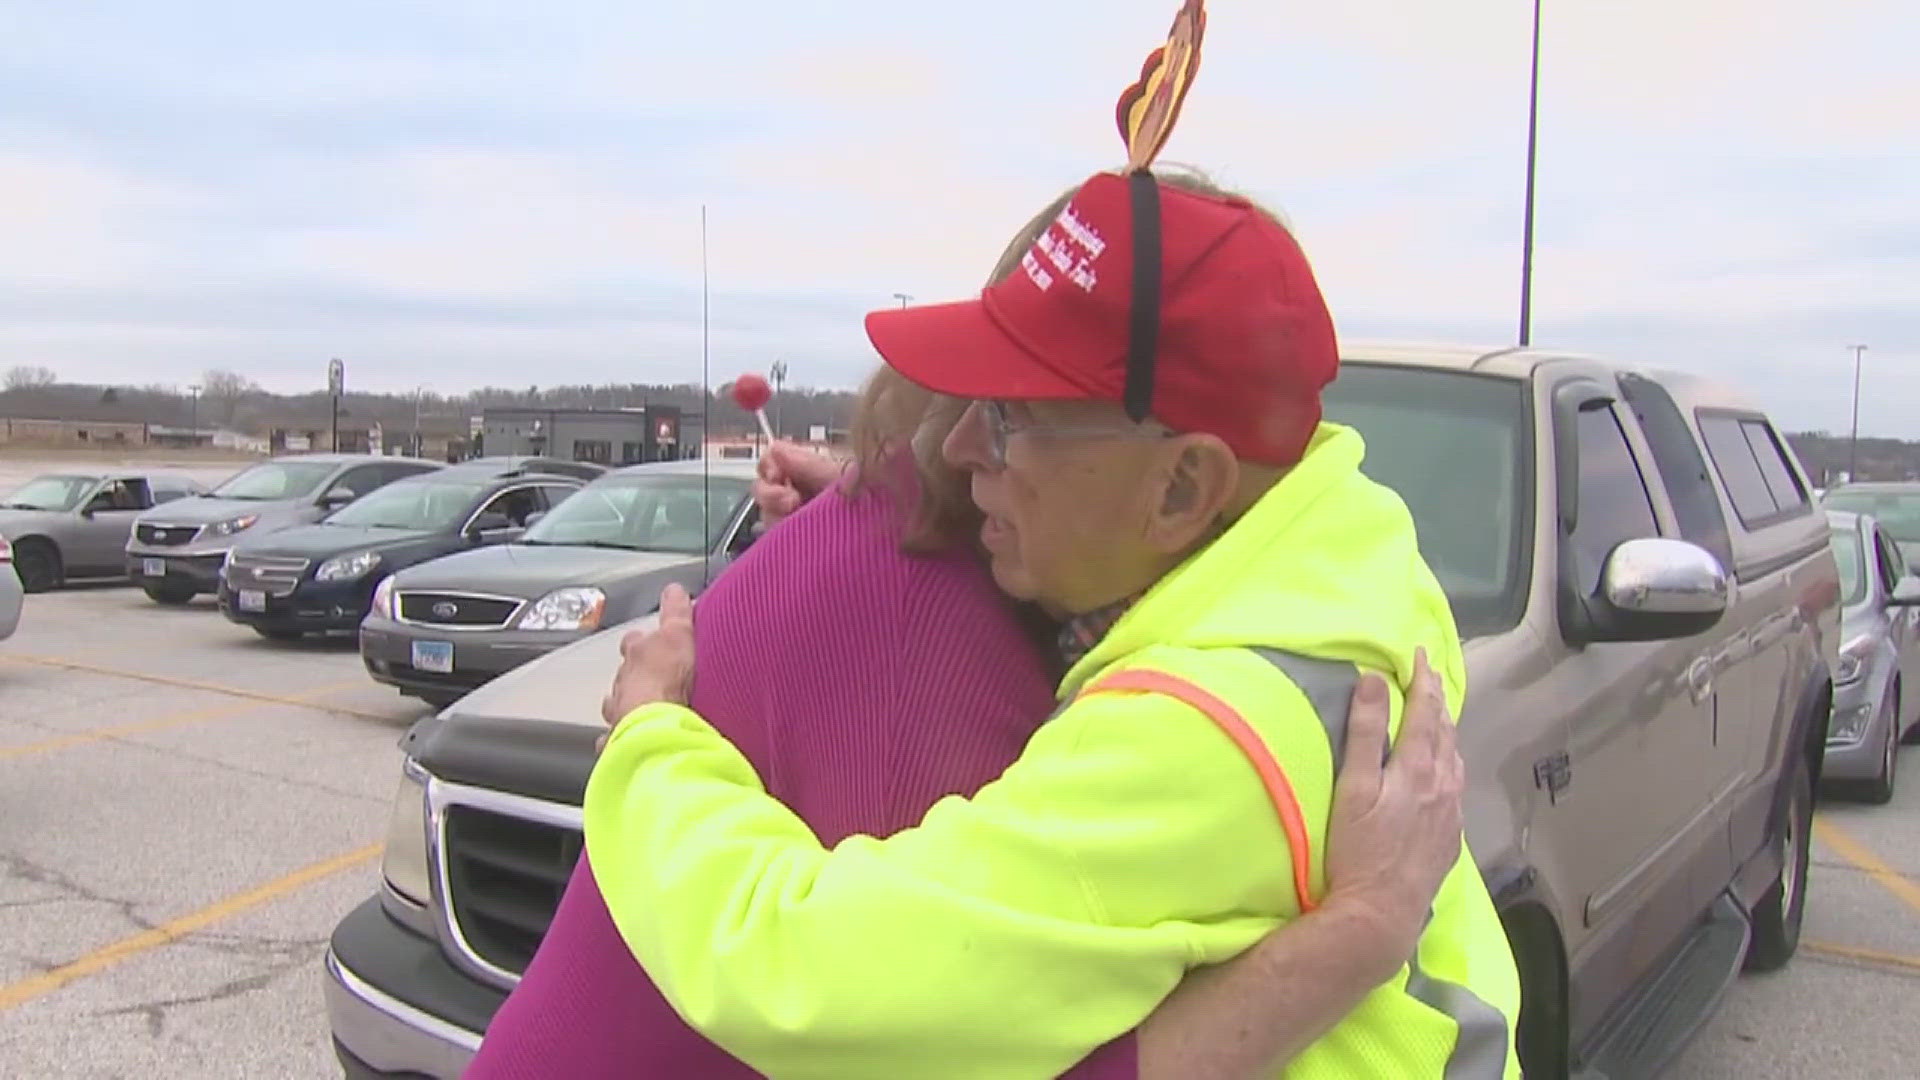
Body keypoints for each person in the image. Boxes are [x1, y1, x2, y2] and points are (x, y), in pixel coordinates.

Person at [465, 207, 1469, 1079]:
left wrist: (646, 737)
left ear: (1181, 488)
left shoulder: (1192, 739)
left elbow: (811, 977)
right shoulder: (1347, 561)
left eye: (1008, 417)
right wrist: (860, 536)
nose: (952, 449)